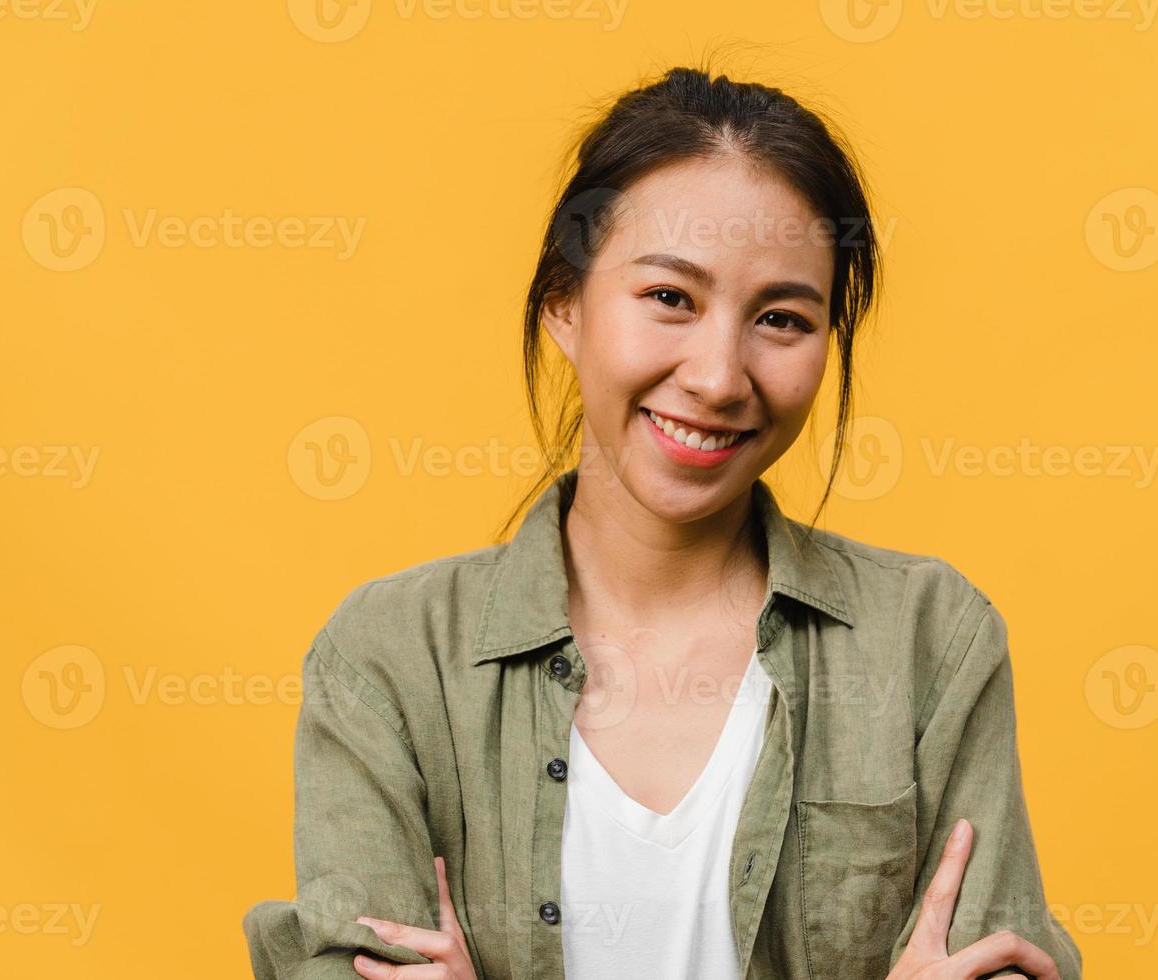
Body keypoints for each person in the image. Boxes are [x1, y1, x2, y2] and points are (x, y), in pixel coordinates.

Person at [243, 64, 1082, 980]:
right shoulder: (391, 660)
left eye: (782, 318)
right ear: (564, 304)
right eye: (670, 298)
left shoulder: (931, 642)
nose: (720, 376)